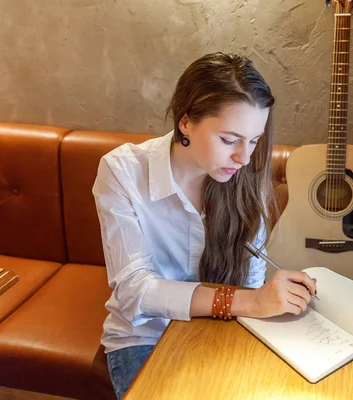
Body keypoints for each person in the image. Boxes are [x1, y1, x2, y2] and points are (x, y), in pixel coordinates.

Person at [92, 52, 318, 399]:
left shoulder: (245, 176)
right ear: (186, 122)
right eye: (229, 140)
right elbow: (134, 291)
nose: (244, 157)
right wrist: (246, 302)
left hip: (220, 331)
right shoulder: (123, 172)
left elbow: (252, 282)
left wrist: (270, 297)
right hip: (145, 336)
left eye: (255, 140)